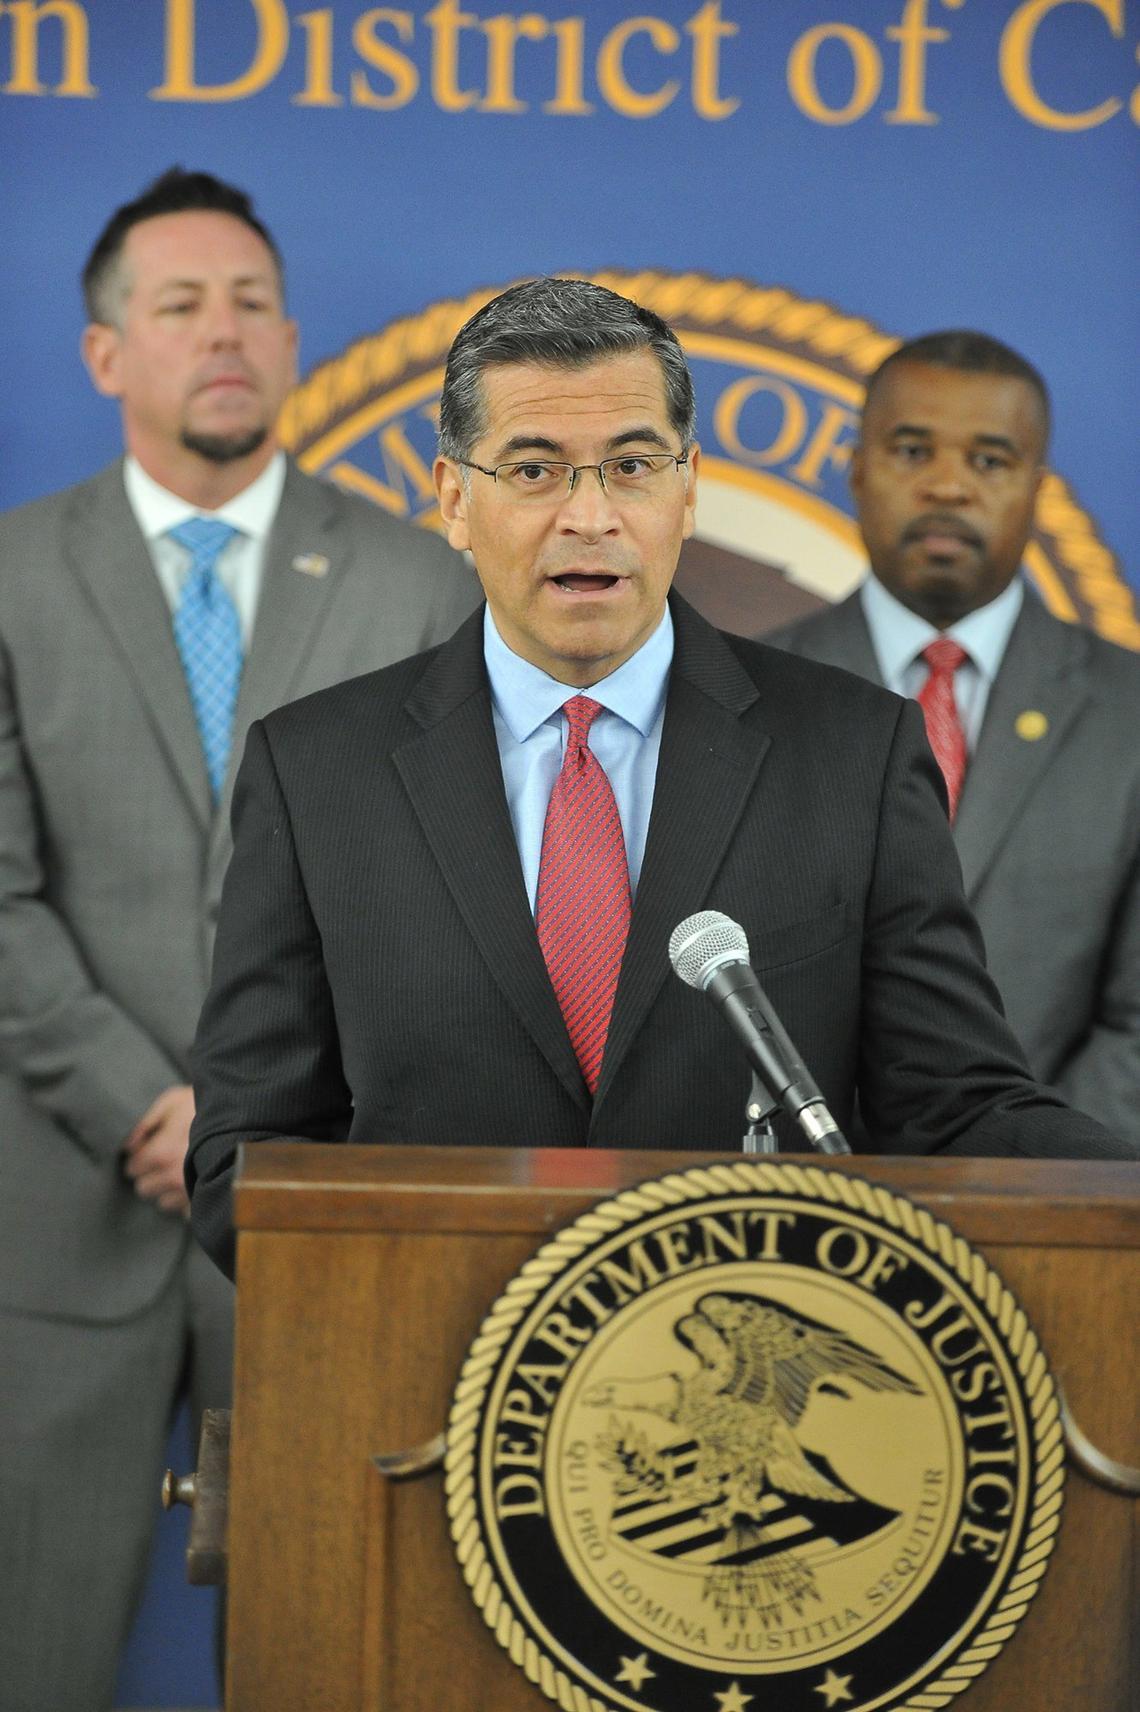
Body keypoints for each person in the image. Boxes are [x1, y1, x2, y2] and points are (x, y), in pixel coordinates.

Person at [187, 278, 1135, 1281]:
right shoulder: (318, 768)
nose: (590, 514)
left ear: (688, 489)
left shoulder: (854, 751)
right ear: (455, 500)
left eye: (632, 466)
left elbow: (956, 1108)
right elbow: (249, 1152)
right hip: (425, 1392)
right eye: (535, 469)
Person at [0, 168, 478, 1711]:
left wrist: (260, 1113)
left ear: (292, 340)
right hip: (59, 1227)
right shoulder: (9, 580)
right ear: (103, 353)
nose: (227, 334)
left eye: (254, 304)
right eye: (183, 305)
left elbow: (450, 899)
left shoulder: (418, 582)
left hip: (322, 1212)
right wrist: (149, 1106)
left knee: (328, 1660)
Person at [767, 331, 1140, 1143]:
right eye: (911, 450)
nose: (947, 487)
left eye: (991, 461)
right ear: (858, 468)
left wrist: (1019, 1169)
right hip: (800, 1203)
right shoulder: (753, 693)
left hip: (1050, 1209)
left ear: (1037, 490)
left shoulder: (1129, 713)